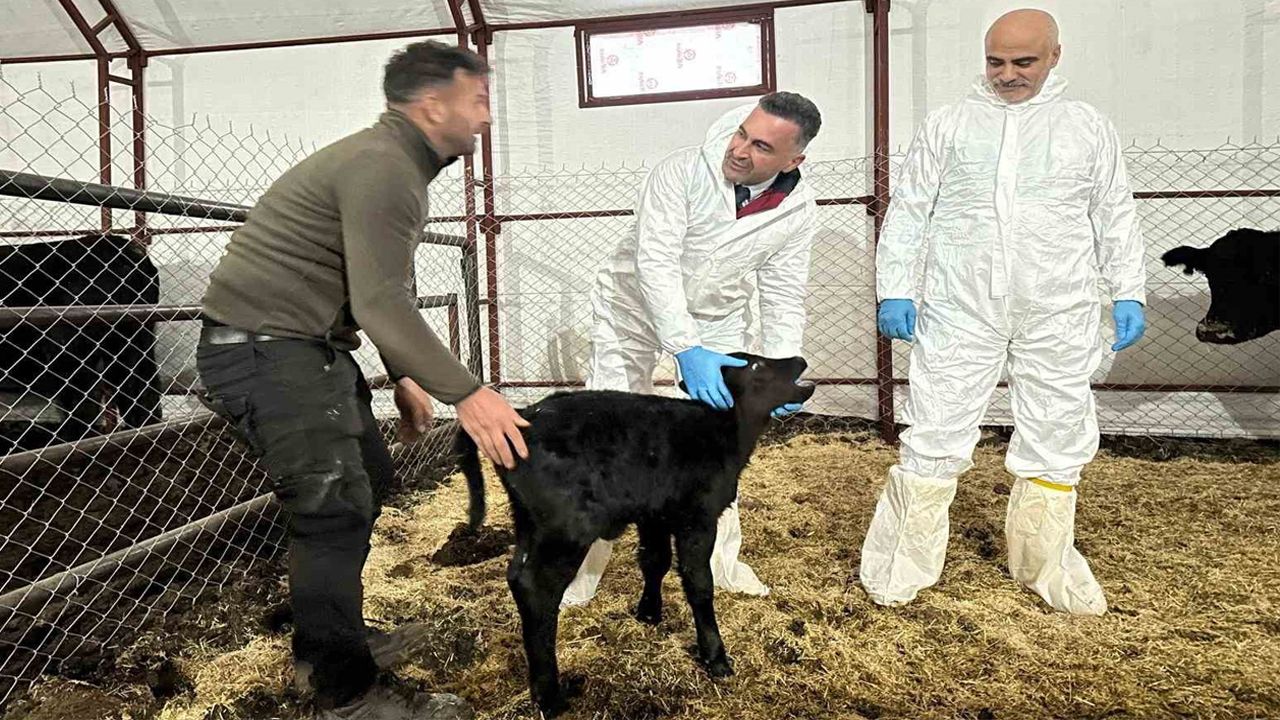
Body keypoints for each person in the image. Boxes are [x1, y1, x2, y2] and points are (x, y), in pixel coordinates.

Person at [197, 41, 529, 719]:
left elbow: (378, 285)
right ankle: (344, 693)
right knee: (333, 510)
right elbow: (381, 301)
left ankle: (331, 636)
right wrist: (468, 392)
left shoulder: (392, 164)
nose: (486, 116)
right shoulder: (384, 167)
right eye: (477, 100)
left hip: (304, 348)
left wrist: (405, 375)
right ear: (432, 105)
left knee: (368, 480)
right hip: (268, 351)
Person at [860, 9, 1147, 616]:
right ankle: (899, 565)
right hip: (960, 305)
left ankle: (1046, 566)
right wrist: (895, 288)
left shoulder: (1085, 127)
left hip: (1058, 307)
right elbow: (910, 208)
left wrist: (1128, 289)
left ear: (1055, 56)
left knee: (1057, 430)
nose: (1008, 74)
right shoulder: (950, 124)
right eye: (996, 62)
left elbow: (1113, 212)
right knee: (935, 427)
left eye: (1024, 62)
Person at [562, 92, 823, 608]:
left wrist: (779, 372)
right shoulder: (681, 171)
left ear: (794, 161)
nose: (740, 150)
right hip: (630, 311)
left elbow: (783, 293)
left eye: (762, 147)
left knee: (717, 441)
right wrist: (684, 347)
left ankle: (718, 563)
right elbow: (655, 262)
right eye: (743, 133)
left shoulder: (797, 211)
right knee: (608, 434)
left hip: (716, 317)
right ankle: (580, 569)